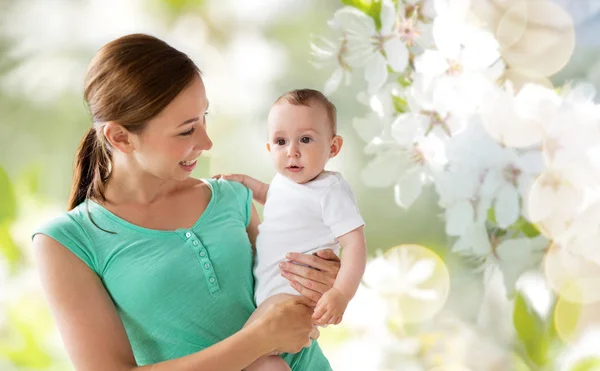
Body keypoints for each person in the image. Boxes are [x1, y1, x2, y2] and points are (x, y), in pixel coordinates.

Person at [31, 34, 341, 371]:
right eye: (185, 130)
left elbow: (289, 299)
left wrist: (322, 279)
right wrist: (258, 340)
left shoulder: (231, 197)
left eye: (204, 117)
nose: (206, 141)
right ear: (120, 137)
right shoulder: (67, 243)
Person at [216, 89, 367, 371]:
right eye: (281, 141)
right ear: (269, 149)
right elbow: (268, 194)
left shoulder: (330, 190)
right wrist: (242, 182)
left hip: (294, 296)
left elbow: (355, 244)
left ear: (333, 147)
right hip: (272, 294)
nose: (292, 151)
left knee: (244, 352)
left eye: (306, 139)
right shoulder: (285, 183)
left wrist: (341, 294)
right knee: (259, 359)